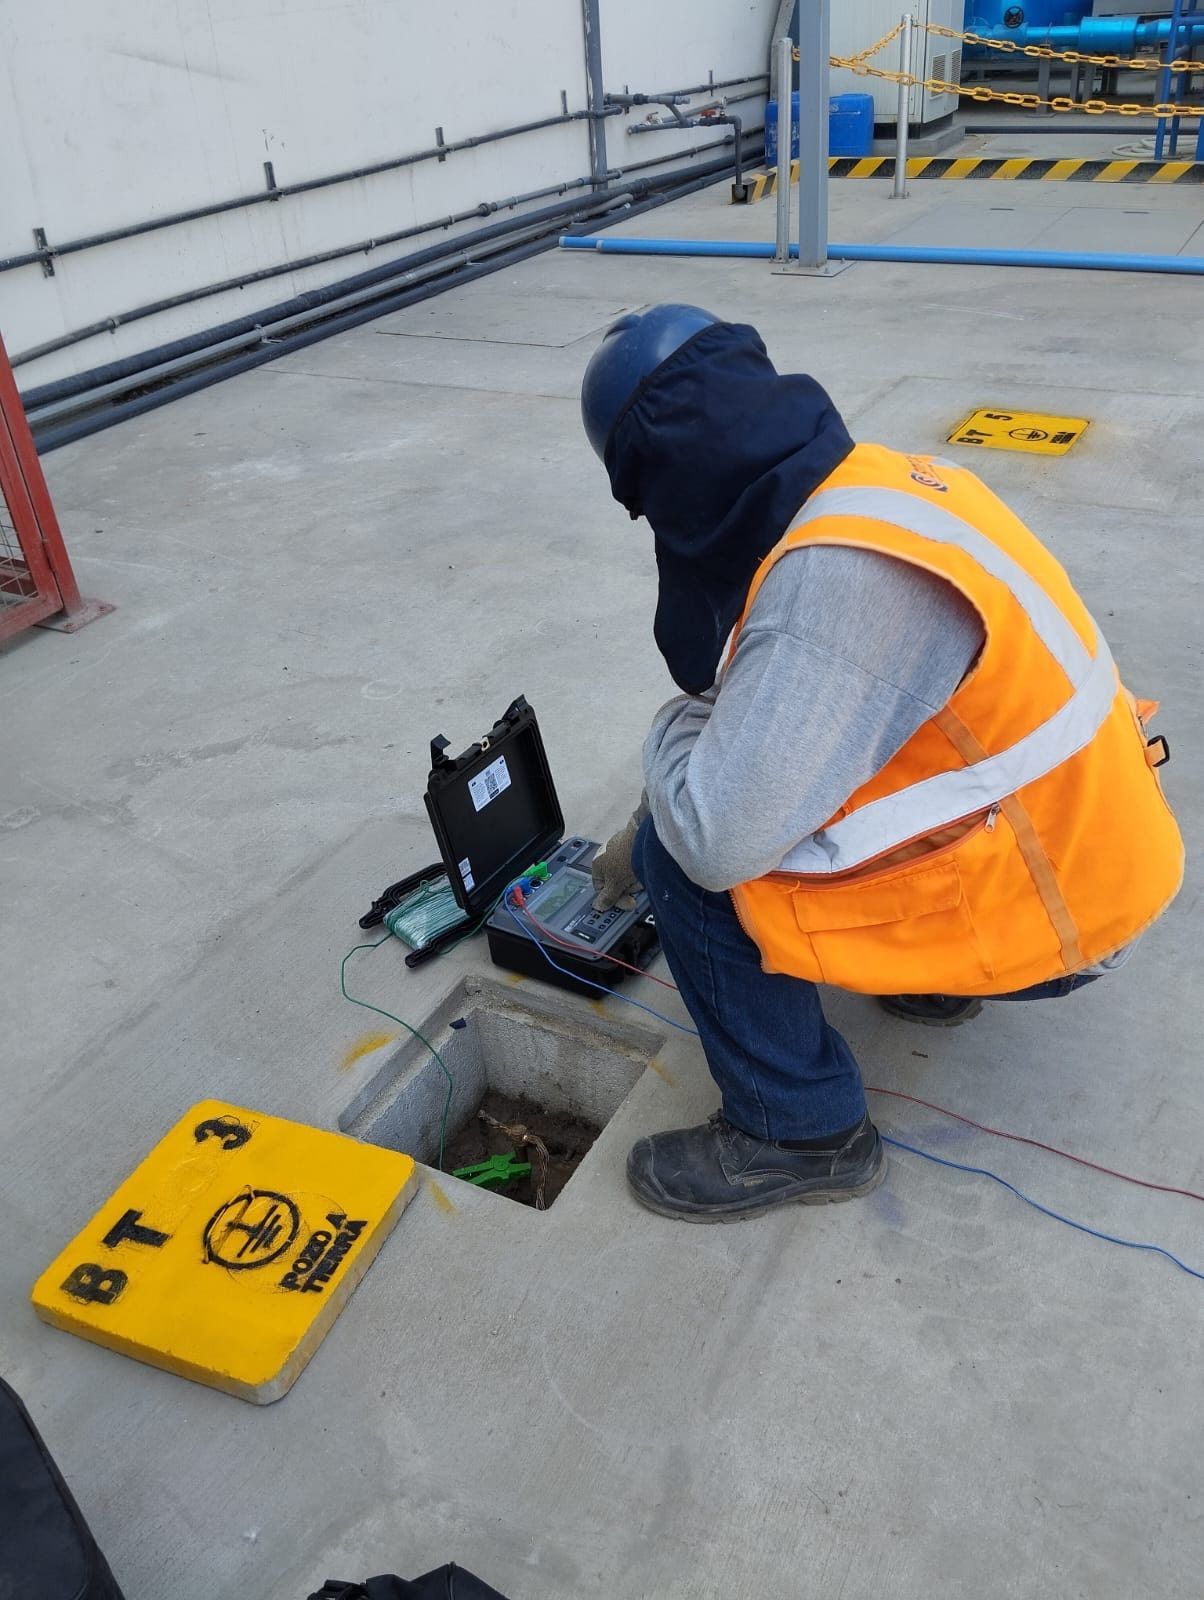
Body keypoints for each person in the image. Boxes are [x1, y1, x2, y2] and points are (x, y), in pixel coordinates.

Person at [580, 303, 1183, 1223]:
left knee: (685, 857)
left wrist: (674, 732)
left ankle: (799, 1133)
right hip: (1089, 844)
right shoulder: (882, 486)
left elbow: (716, 835)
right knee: (787, 779)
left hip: (1067, 911)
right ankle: (930, 979)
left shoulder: (840, 588)